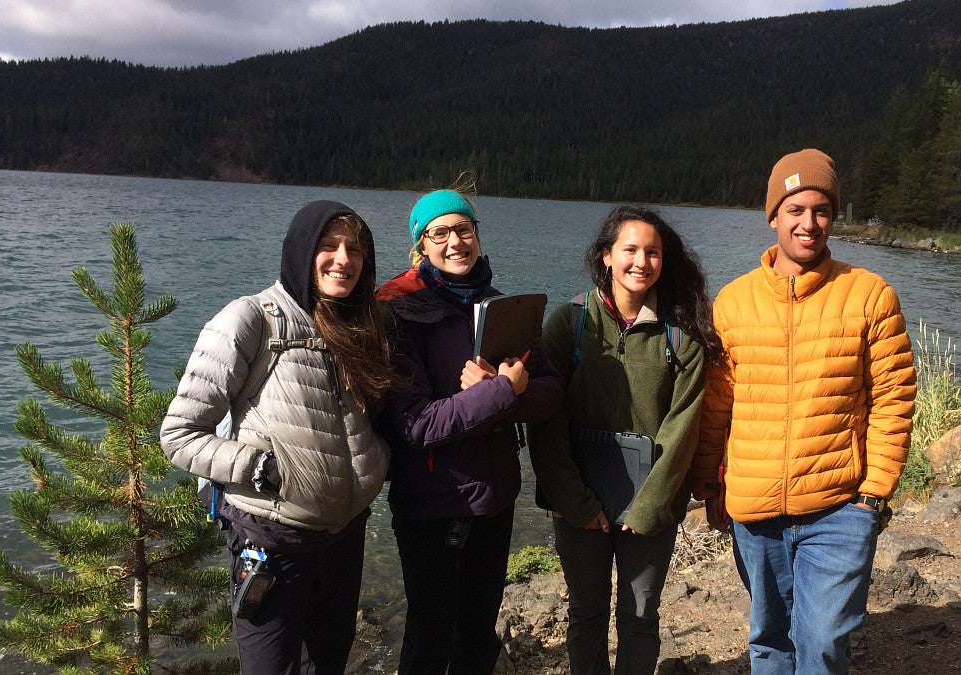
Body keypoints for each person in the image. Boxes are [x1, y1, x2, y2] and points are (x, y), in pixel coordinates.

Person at [690, 149, 917, 673]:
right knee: (769, 639)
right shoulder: (733, 303)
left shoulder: (869, 296)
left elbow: (893, 398)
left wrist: (874, 494)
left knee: (822, 642)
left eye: (820, 210)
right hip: (754, 510)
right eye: (795, 210)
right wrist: (710, 485)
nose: (808, 224)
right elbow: (716, 407)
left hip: (839, 506)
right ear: (773, 217)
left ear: (833, 216)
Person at [161, 200, 395, 674]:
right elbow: (180, 435)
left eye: (355, 249)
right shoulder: (249, 319)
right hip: (272, 539)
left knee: (327, 663)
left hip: (344, 535)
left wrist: (378, 459)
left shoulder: (358, 325)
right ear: (301, 251)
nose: (343, 259)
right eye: (328, 246)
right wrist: (259, 468)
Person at [527, 205, 723, 675]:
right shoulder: (570, 323)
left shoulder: (682, 337)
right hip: (579, 505)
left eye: (652, 252)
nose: (641, 262)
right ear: (606, 256)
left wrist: (650, 505)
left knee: (639, 618)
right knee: (586, 615)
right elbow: (546, 422)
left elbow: (683, 428)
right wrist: (575, 501)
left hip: (650, 511)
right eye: (630, 249)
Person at [377, 188, 563, 675]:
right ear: (421, 245)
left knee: (479, 635)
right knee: (430, 638)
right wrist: (501, 393)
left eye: (464, 230)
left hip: (494, 500)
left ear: (478, 236)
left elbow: (549, 393)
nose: (455, 242)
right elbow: (417, 424)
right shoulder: (398, 313)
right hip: (433, 506)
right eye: (440, 233)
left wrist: (509, 391)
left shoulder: (505, 307)